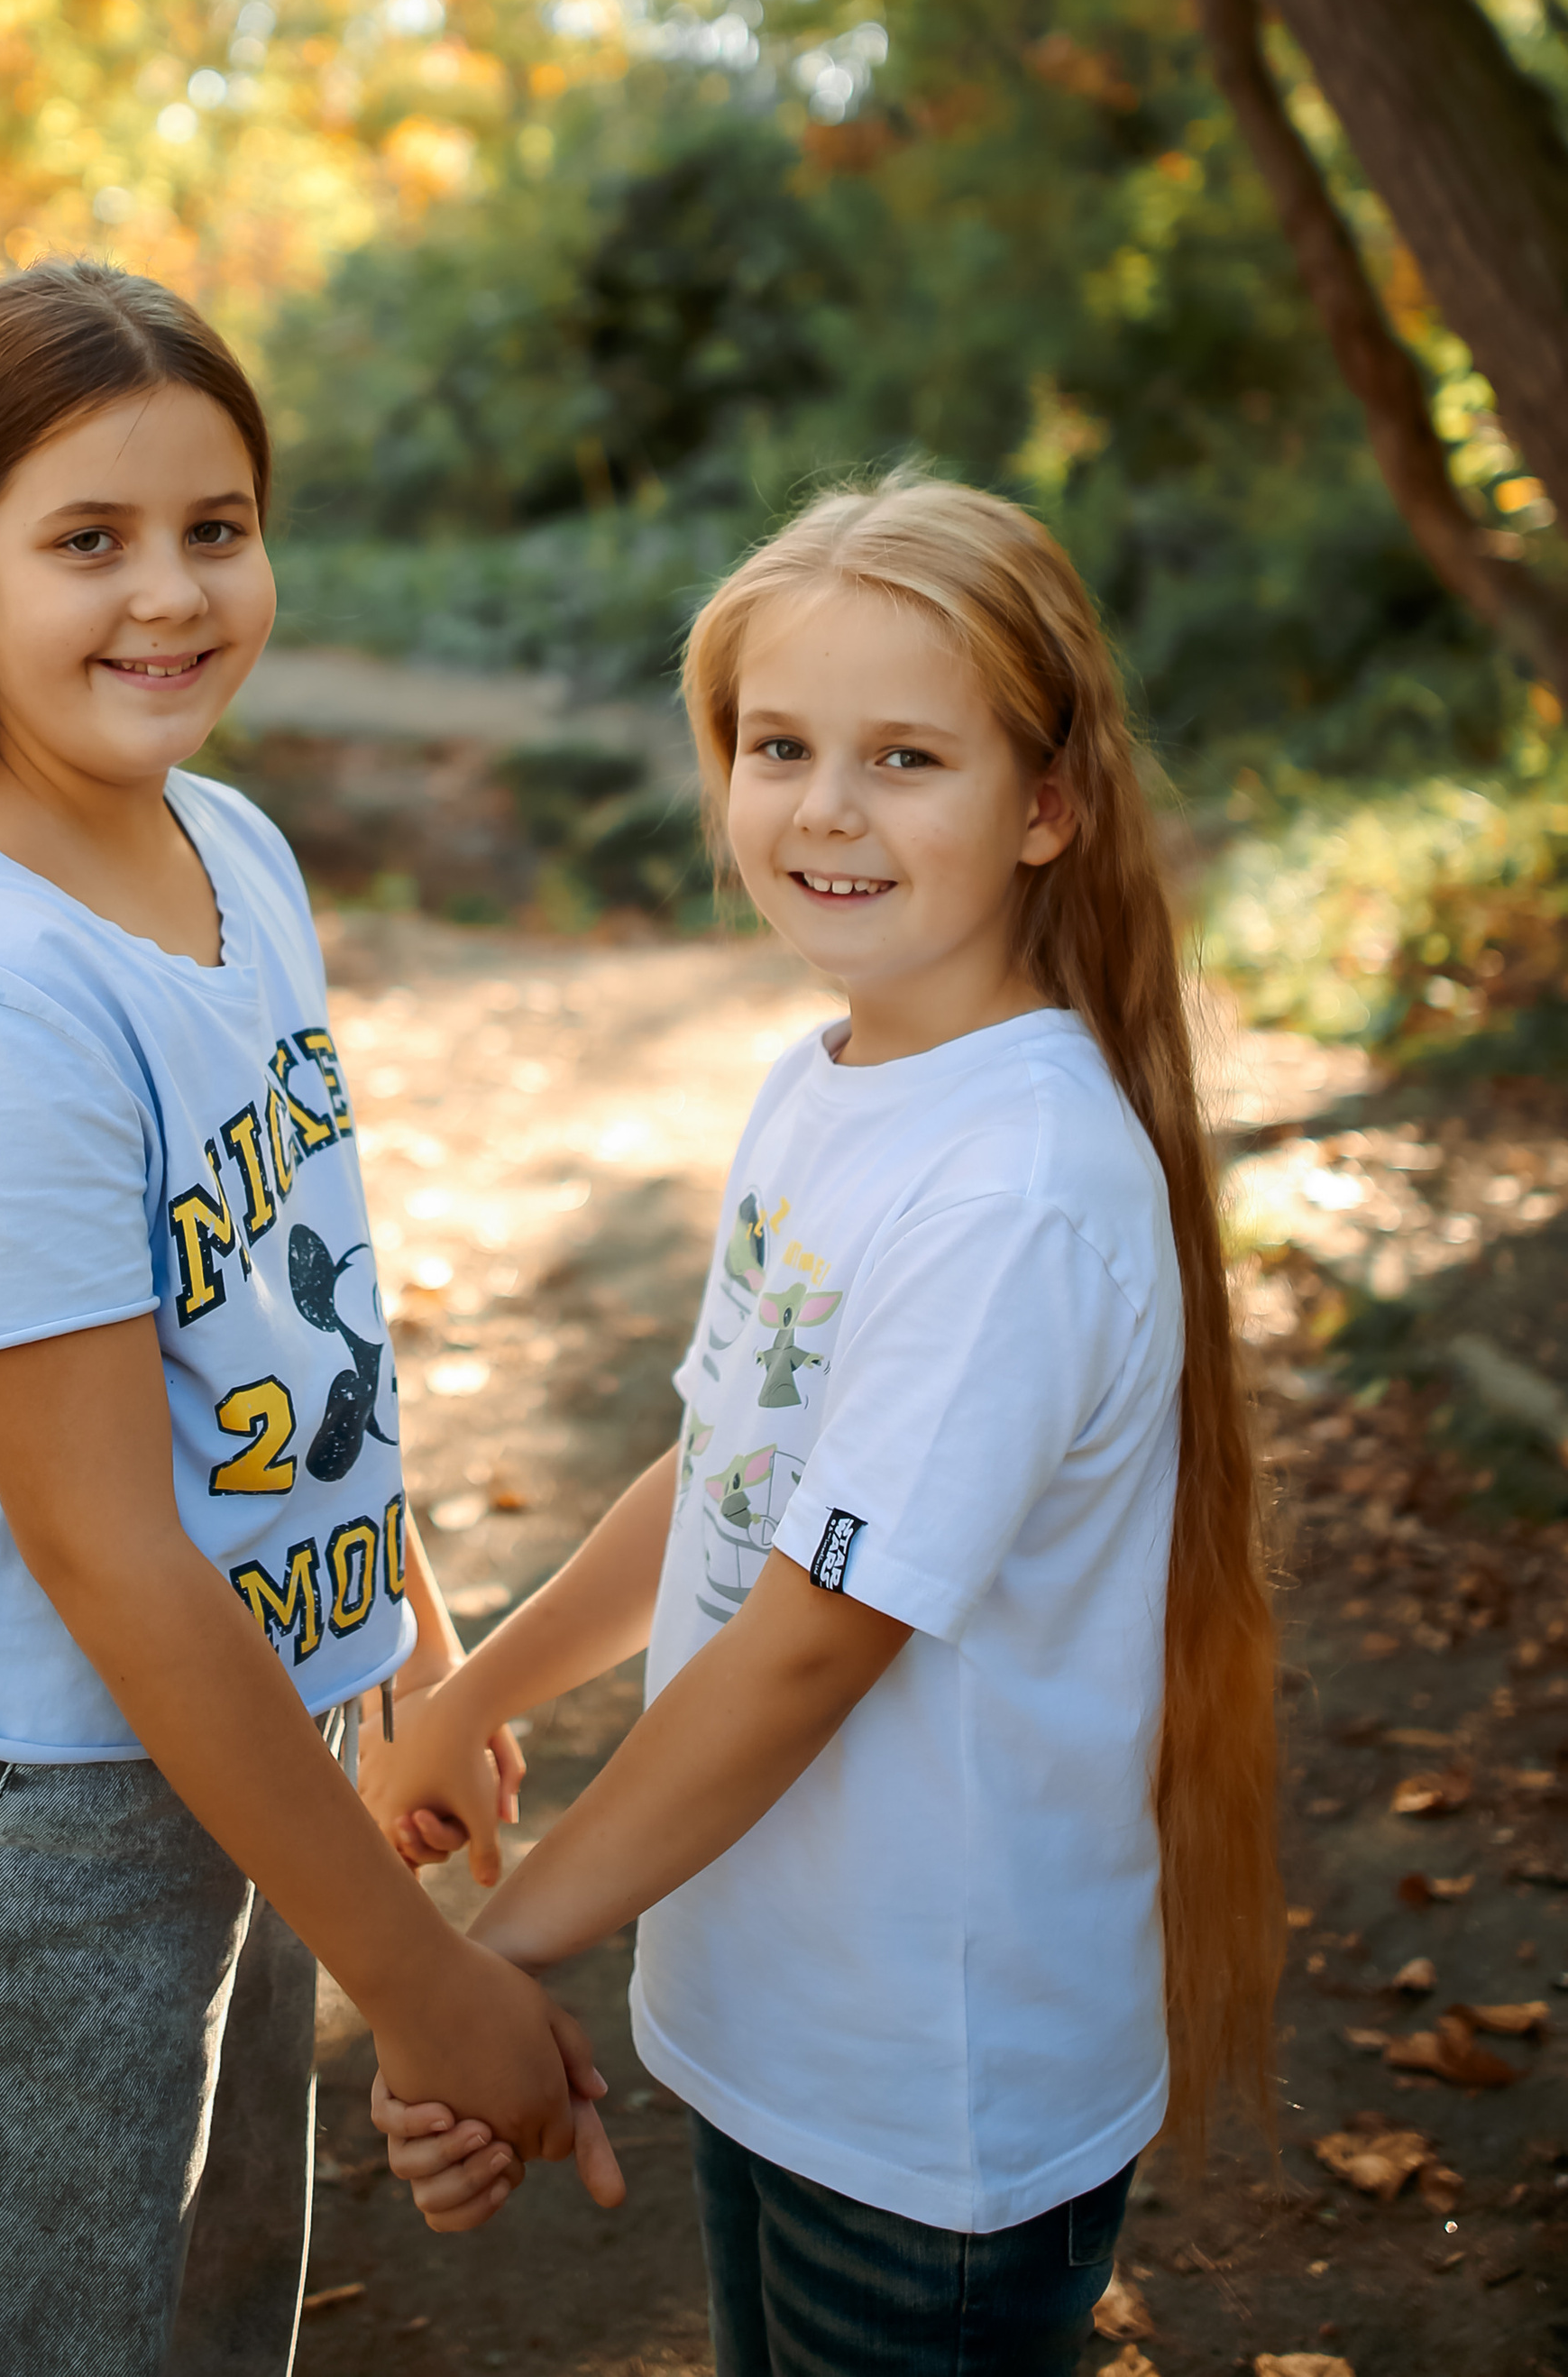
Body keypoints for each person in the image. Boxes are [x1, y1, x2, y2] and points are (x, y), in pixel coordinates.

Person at [0, 260, 615, 2377]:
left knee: (188, 2332)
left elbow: (285, 1306)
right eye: (87, 540)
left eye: (215, 527)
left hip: (235, 1734)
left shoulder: (230, 848)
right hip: (23, 1811)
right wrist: (418, 1985)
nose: (169, 594)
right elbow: (104, 1551)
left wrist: (401, 1632)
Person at [360, 473, 1282, 2377]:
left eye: (906, 758)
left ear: (1045, 806)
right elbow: (727, 1463)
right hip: (768, 2018)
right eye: (777, 746)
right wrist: (480, 1689)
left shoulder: (1015, 1188)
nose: (825, 809)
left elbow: (805, 1648)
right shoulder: (826, 1079)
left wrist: (485, 1960)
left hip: (927, 2103)